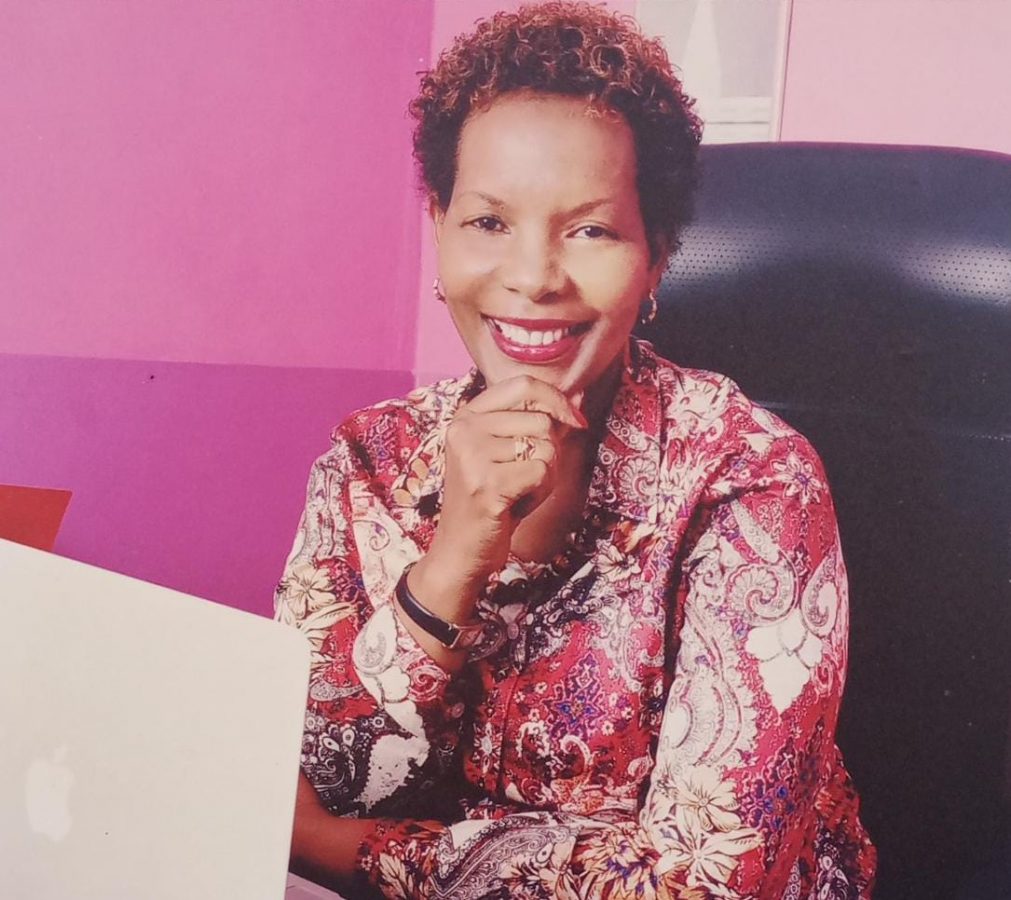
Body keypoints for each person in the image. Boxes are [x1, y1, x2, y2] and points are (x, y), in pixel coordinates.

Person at [275, 3, 877, 897]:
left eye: (588, 229)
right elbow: (299, 778)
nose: (532, 277)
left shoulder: (751, 478)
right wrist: (453, 559)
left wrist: (346, 851)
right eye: (486, 222)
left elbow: (711, 881)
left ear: (658, 253)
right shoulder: (368, 459)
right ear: (437, 223)